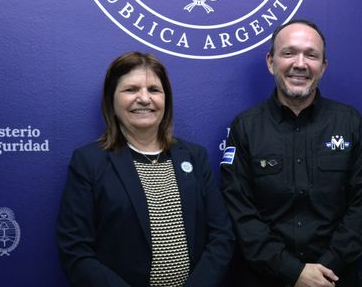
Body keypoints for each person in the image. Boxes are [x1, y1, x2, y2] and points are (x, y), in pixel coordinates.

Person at [56, 52, 234, 287]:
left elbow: (221, 235)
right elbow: (75, 250)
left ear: (166, 99)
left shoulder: (195, 157)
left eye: (154, 90)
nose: (144, 98)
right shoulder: (89, 162)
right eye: (131, 90)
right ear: (112, 99)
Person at [220, 19, 362, 287]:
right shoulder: (245, 127)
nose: (300, 64)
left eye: (311, 55)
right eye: (289, 52)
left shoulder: (349, 123)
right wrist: (294, 271)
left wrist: (326, 268)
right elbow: (241, 213)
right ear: (271, 62)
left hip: (334, 278)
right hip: (265, 278)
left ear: (323, 67)